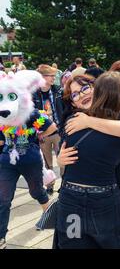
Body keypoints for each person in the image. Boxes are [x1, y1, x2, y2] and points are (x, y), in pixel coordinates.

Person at [54, 72, 120, 249]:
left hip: (105, 202)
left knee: (109, 243)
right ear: (73, 103)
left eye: (85, 88)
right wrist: (60, 160)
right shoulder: (73, 120)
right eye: (75, 94)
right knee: (73, 244)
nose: (82, 95)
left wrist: (89, 121)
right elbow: (66, 155)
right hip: (72, 203)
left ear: (97, 88)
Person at [0, 70, 57, 250]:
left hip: (30, 159)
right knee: (2, 199)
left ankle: (51, 216)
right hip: (6, 161)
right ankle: (1, 236)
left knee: (37, 192)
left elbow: (51, 127)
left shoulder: (30, 114)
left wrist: (36, 136)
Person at [33, 65, 65, 194]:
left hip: (58, 131)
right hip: (43, 133)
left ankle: (64, 185)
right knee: (47, 162)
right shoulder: (33, 94)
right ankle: (49, 185)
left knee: (63, 160)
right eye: (51, 76)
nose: (54, 78)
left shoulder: (59, 91)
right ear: (42, 77)